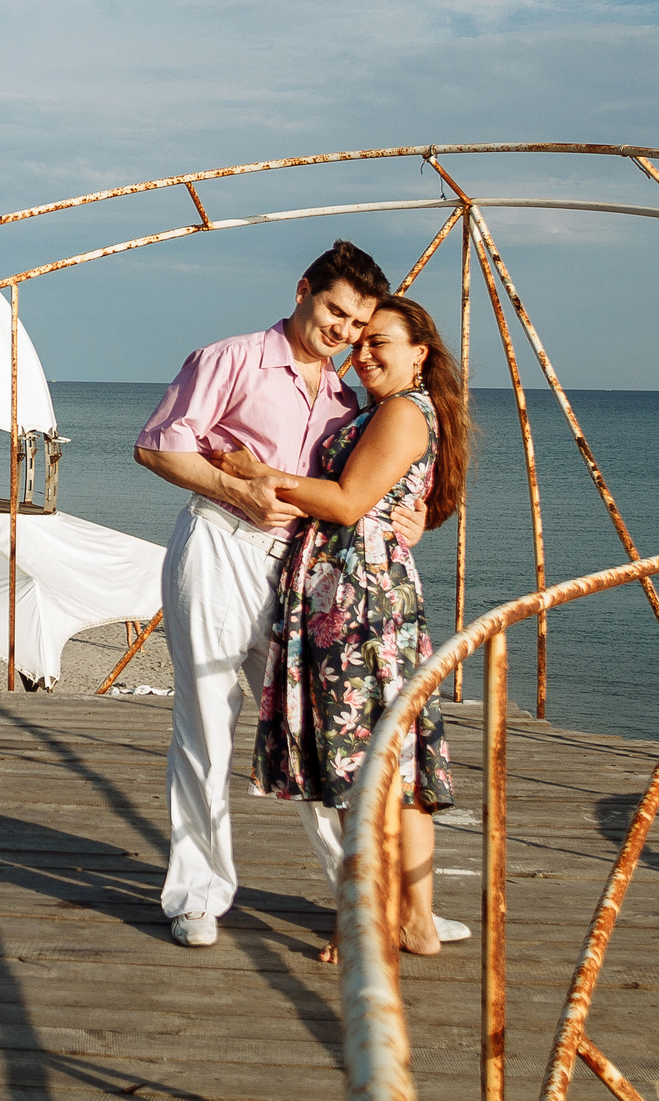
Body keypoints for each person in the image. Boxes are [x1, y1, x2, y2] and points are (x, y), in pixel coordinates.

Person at [133, 239, 424, 949]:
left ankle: (362, 900)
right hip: (217, 543)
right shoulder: (228, 357)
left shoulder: (344, 396)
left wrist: (413, 517)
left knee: (311, 729)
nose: (342, 331)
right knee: (206, 716)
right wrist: (236, 488)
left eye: (358, 324)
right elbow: (155, 445)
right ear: (302, 289)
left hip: (299, 569)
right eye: (334, 310)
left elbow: (359, 490)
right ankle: (198, 893)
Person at [233, 293, 474, 959]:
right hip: (372, 595)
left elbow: (346, 501)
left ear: (419, 353)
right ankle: (417, 921)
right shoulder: (398, 411)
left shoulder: (400, 410)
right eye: (359, 341)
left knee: (359, 765)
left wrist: (263, 475)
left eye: (381, 343)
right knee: (399, 770)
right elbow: (406, 499)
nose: (363, 352)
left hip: (358, 607)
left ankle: (363, 917)